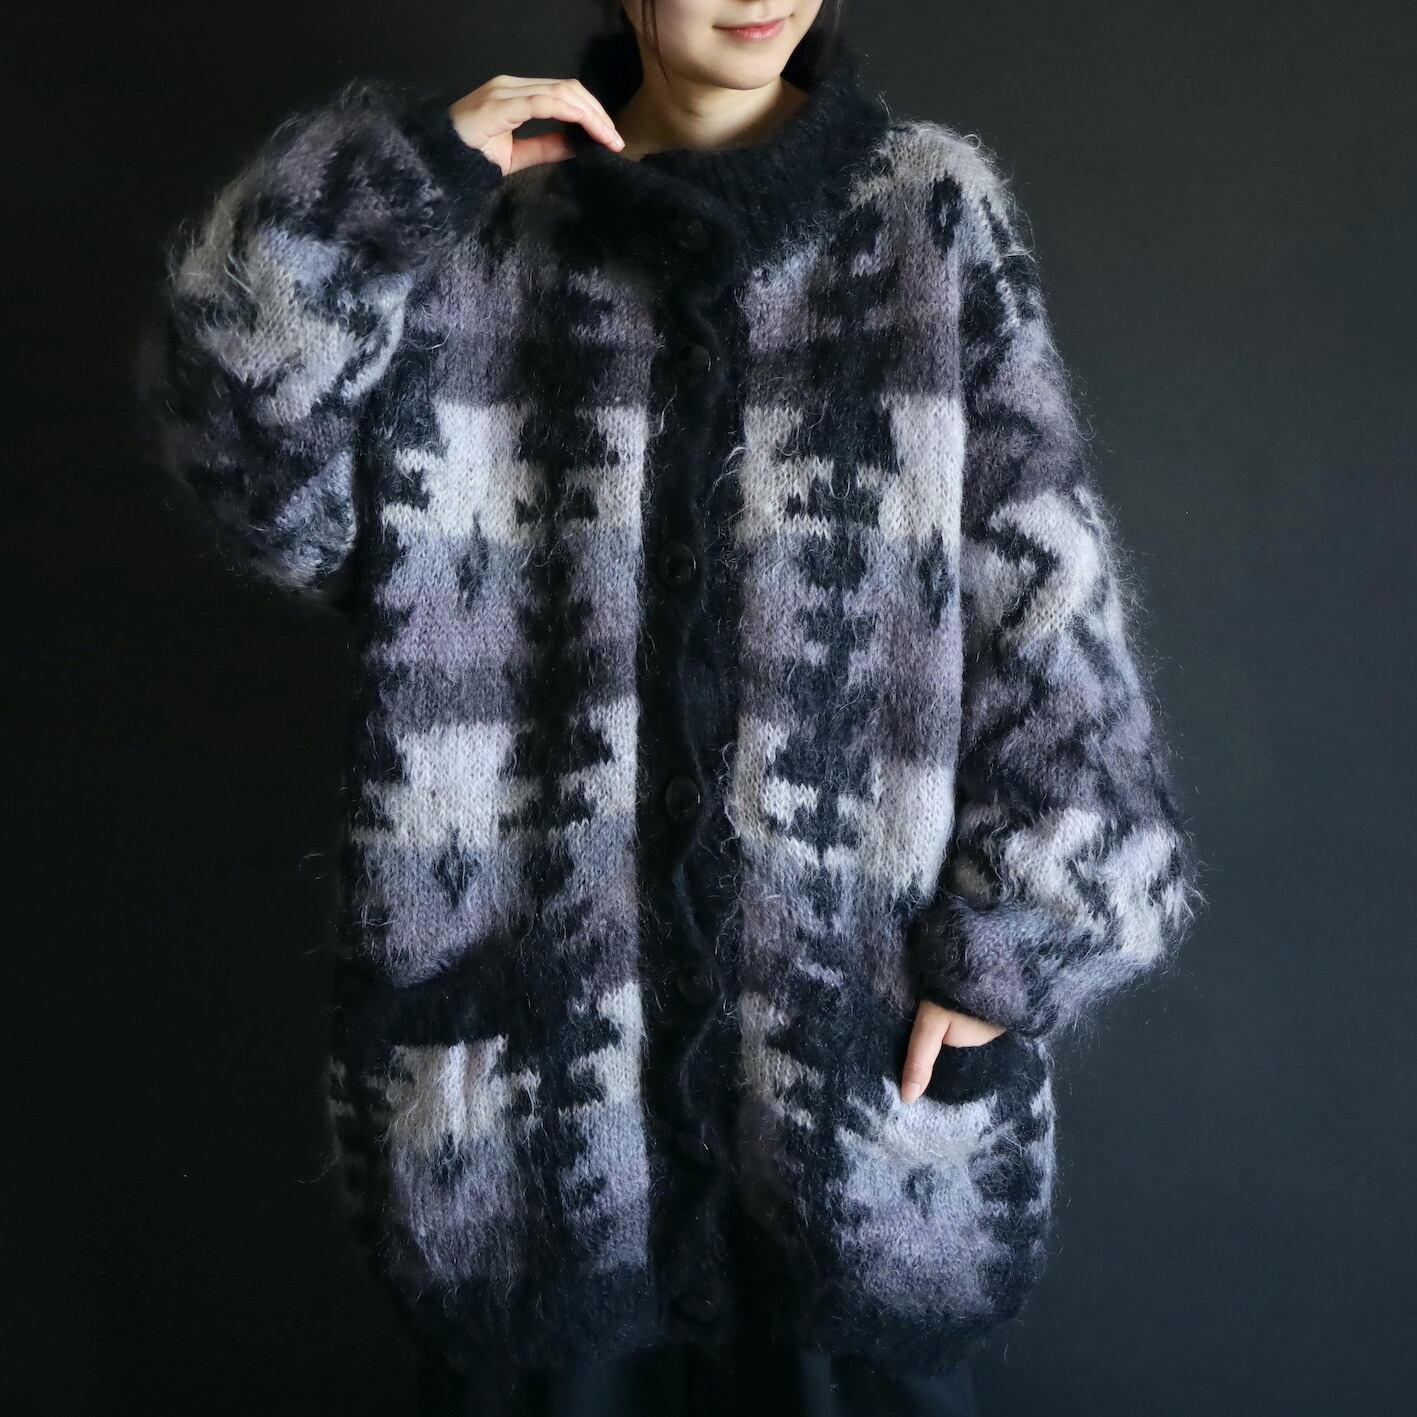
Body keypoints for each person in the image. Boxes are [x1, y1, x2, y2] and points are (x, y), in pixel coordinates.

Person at [130, 2, 1204, 1413]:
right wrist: (387, 189)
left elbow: (1043, 591)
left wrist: (1023, 933)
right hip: (532, 1119)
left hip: (852, 1097)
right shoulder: (471, 226)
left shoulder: (927, 213)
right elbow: (246, 466)